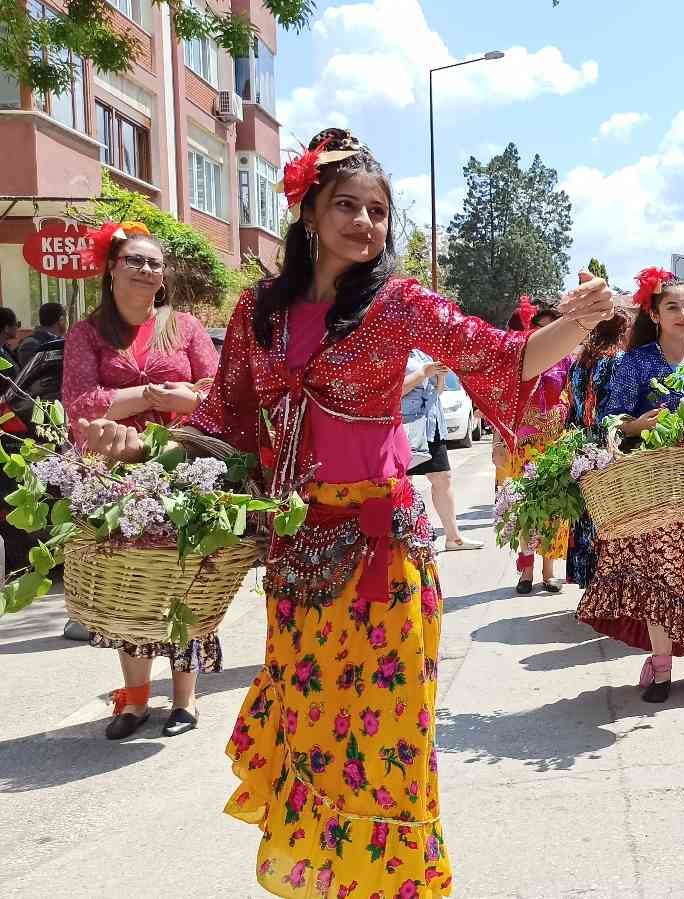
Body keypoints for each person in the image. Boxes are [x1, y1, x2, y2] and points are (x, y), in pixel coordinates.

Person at [76, 128, 614, 898]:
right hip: (299, 564)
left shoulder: (396, 305)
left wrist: (578, 325)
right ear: (308, 213)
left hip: (384, 562)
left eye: (379, 210)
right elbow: (225, 427)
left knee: (387, 743)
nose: (367, 222)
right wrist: (133, 448)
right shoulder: (259, 311)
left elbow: (495, 353)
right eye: (349, 206)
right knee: (315, 740)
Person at [59, 221, 220, 740]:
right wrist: (150, 395)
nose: (148, 270)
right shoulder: (86, 334)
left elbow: (217, 392)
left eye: (155, 263)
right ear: (111, 270)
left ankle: (185, 700)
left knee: (184, 580)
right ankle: (132, 703)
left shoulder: (185, 327)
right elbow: (79, 405)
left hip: (183, 467)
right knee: (131, 586)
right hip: (114, 475)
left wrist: (183, 400)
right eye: (136, 261)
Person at [576, 267, 684, 703]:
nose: (683, 314)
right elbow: (609, 421)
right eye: (672, 307)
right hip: (657, 485)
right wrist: (639, 423)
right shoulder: (635, 363)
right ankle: (660, 669)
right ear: (654, 315)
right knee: (661, 576)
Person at [498, 298, 573, 593]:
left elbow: (575, 397)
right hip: (524, 446)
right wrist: (499, 441)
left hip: (555, 444)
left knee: (554, 508)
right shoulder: (520, 359)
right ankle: (525, 571)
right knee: (526, 507)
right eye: (539, 327)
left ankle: (549, 571)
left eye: (550, 327)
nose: (545, 332)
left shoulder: (567, 360)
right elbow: (504, 402)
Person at [565, 308, 630, 589]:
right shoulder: (617, 361)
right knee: (610, 516)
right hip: (608, 447)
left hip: (581, 445)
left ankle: (589, 582)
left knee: (586, 514)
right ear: (620, 333)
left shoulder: (578, 364)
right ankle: (608, 589)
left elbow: (571, 410)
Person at [403, 348, 481, 551]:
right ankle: (405, 539)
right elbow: (394, 390)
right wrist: (424, 373)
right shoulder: (392, 351)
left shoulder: (423, 352)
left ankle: (453, 537)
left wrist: (439, 377)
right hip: (407, 426)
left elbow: (436, 392)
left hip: (431, 424)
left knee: (442, 477)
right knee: (403, 482)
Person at [16, 301, 67, 370]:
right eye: (67, 319)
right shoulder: (31, 344)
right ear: (61, 320)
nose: (67, 323)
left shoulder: (63, 342)